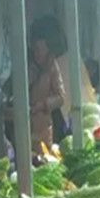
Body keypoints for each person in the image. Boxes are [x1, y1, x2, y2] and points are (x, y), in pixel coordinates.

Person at [28, 20, 66, 151]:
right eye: (35, 50)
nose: (37, 53)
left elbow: (61, 97)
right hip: (26, 126)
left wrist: (43, 105)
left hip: (43, 128)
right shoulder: (28, 65)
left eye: (40, 50)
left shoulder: (52, 67)